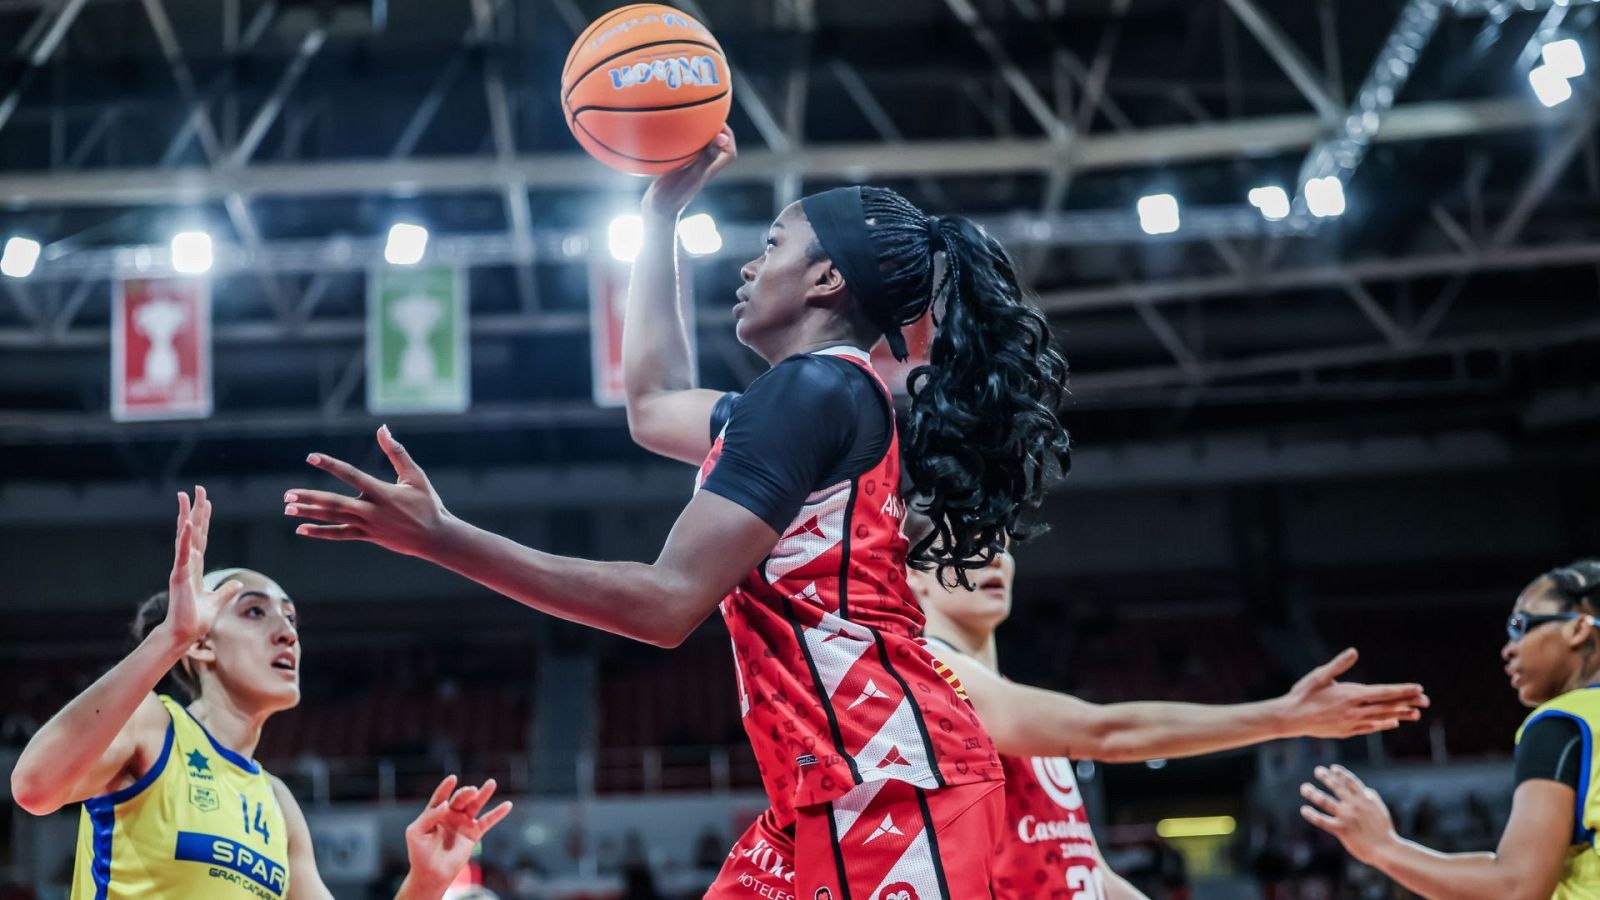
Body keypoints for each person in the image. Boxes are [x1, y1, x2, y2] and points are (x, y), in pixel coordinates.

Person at [282, 125, 1074, 900]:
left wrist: (442, 538)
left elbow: (665, 604)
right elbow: (654, 403)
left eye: (771, 246)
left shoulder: (815, 392)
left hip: (891, 782)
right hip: (824, 787)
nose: (748, 265)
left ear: (826, 278)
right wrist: (657, 218)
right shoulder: (812, 401)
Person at [714, 523, 1430, 900]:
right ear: (910, 582)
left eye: (997, 542)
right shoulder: (927, 677)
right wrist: (1281, 715)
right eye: (961, 549)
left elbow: (1078, 870)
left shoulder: (1012, 698)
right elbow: (1107, 730)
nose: (991, 556)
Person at [9, 487, 511, 899]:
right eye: (255, 611)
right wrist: (169, 638)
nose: (287, 632)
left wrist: (425, 881)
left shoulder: (277, 803)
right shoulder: (152, 726)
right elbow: (34, 786)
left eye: (291, 618)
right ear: (201, 644)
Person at [1299, 559, 1600, 900]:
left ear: (1578, 629)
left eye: (1520, 625)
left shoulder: (1562, 721)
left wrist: (1383, 847)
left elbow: (1516, 887)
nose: (1508, 649)